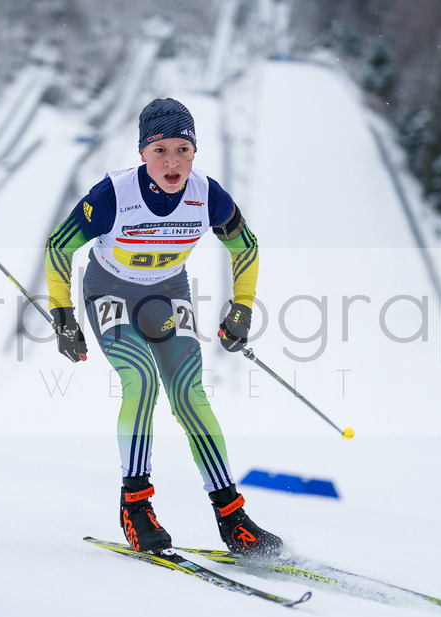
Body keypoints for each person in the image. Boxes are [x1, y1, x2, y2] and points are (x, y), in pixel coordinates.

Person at [44, 98, 282, 556]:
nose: (172, 162)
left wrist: (243, 307)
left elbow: (245, 248)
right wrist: (63, 314)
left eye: (182, 149)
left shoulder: (207, 195)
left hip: (168, 294)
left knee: (190, 394)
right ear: (141, 153)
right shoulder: (114, 194)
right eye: (160, 150)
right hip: (108, 291)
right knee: (141, 379)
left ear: (194, 152)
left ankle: (233, 518)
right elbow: (59, 246)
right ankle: (135, 507)